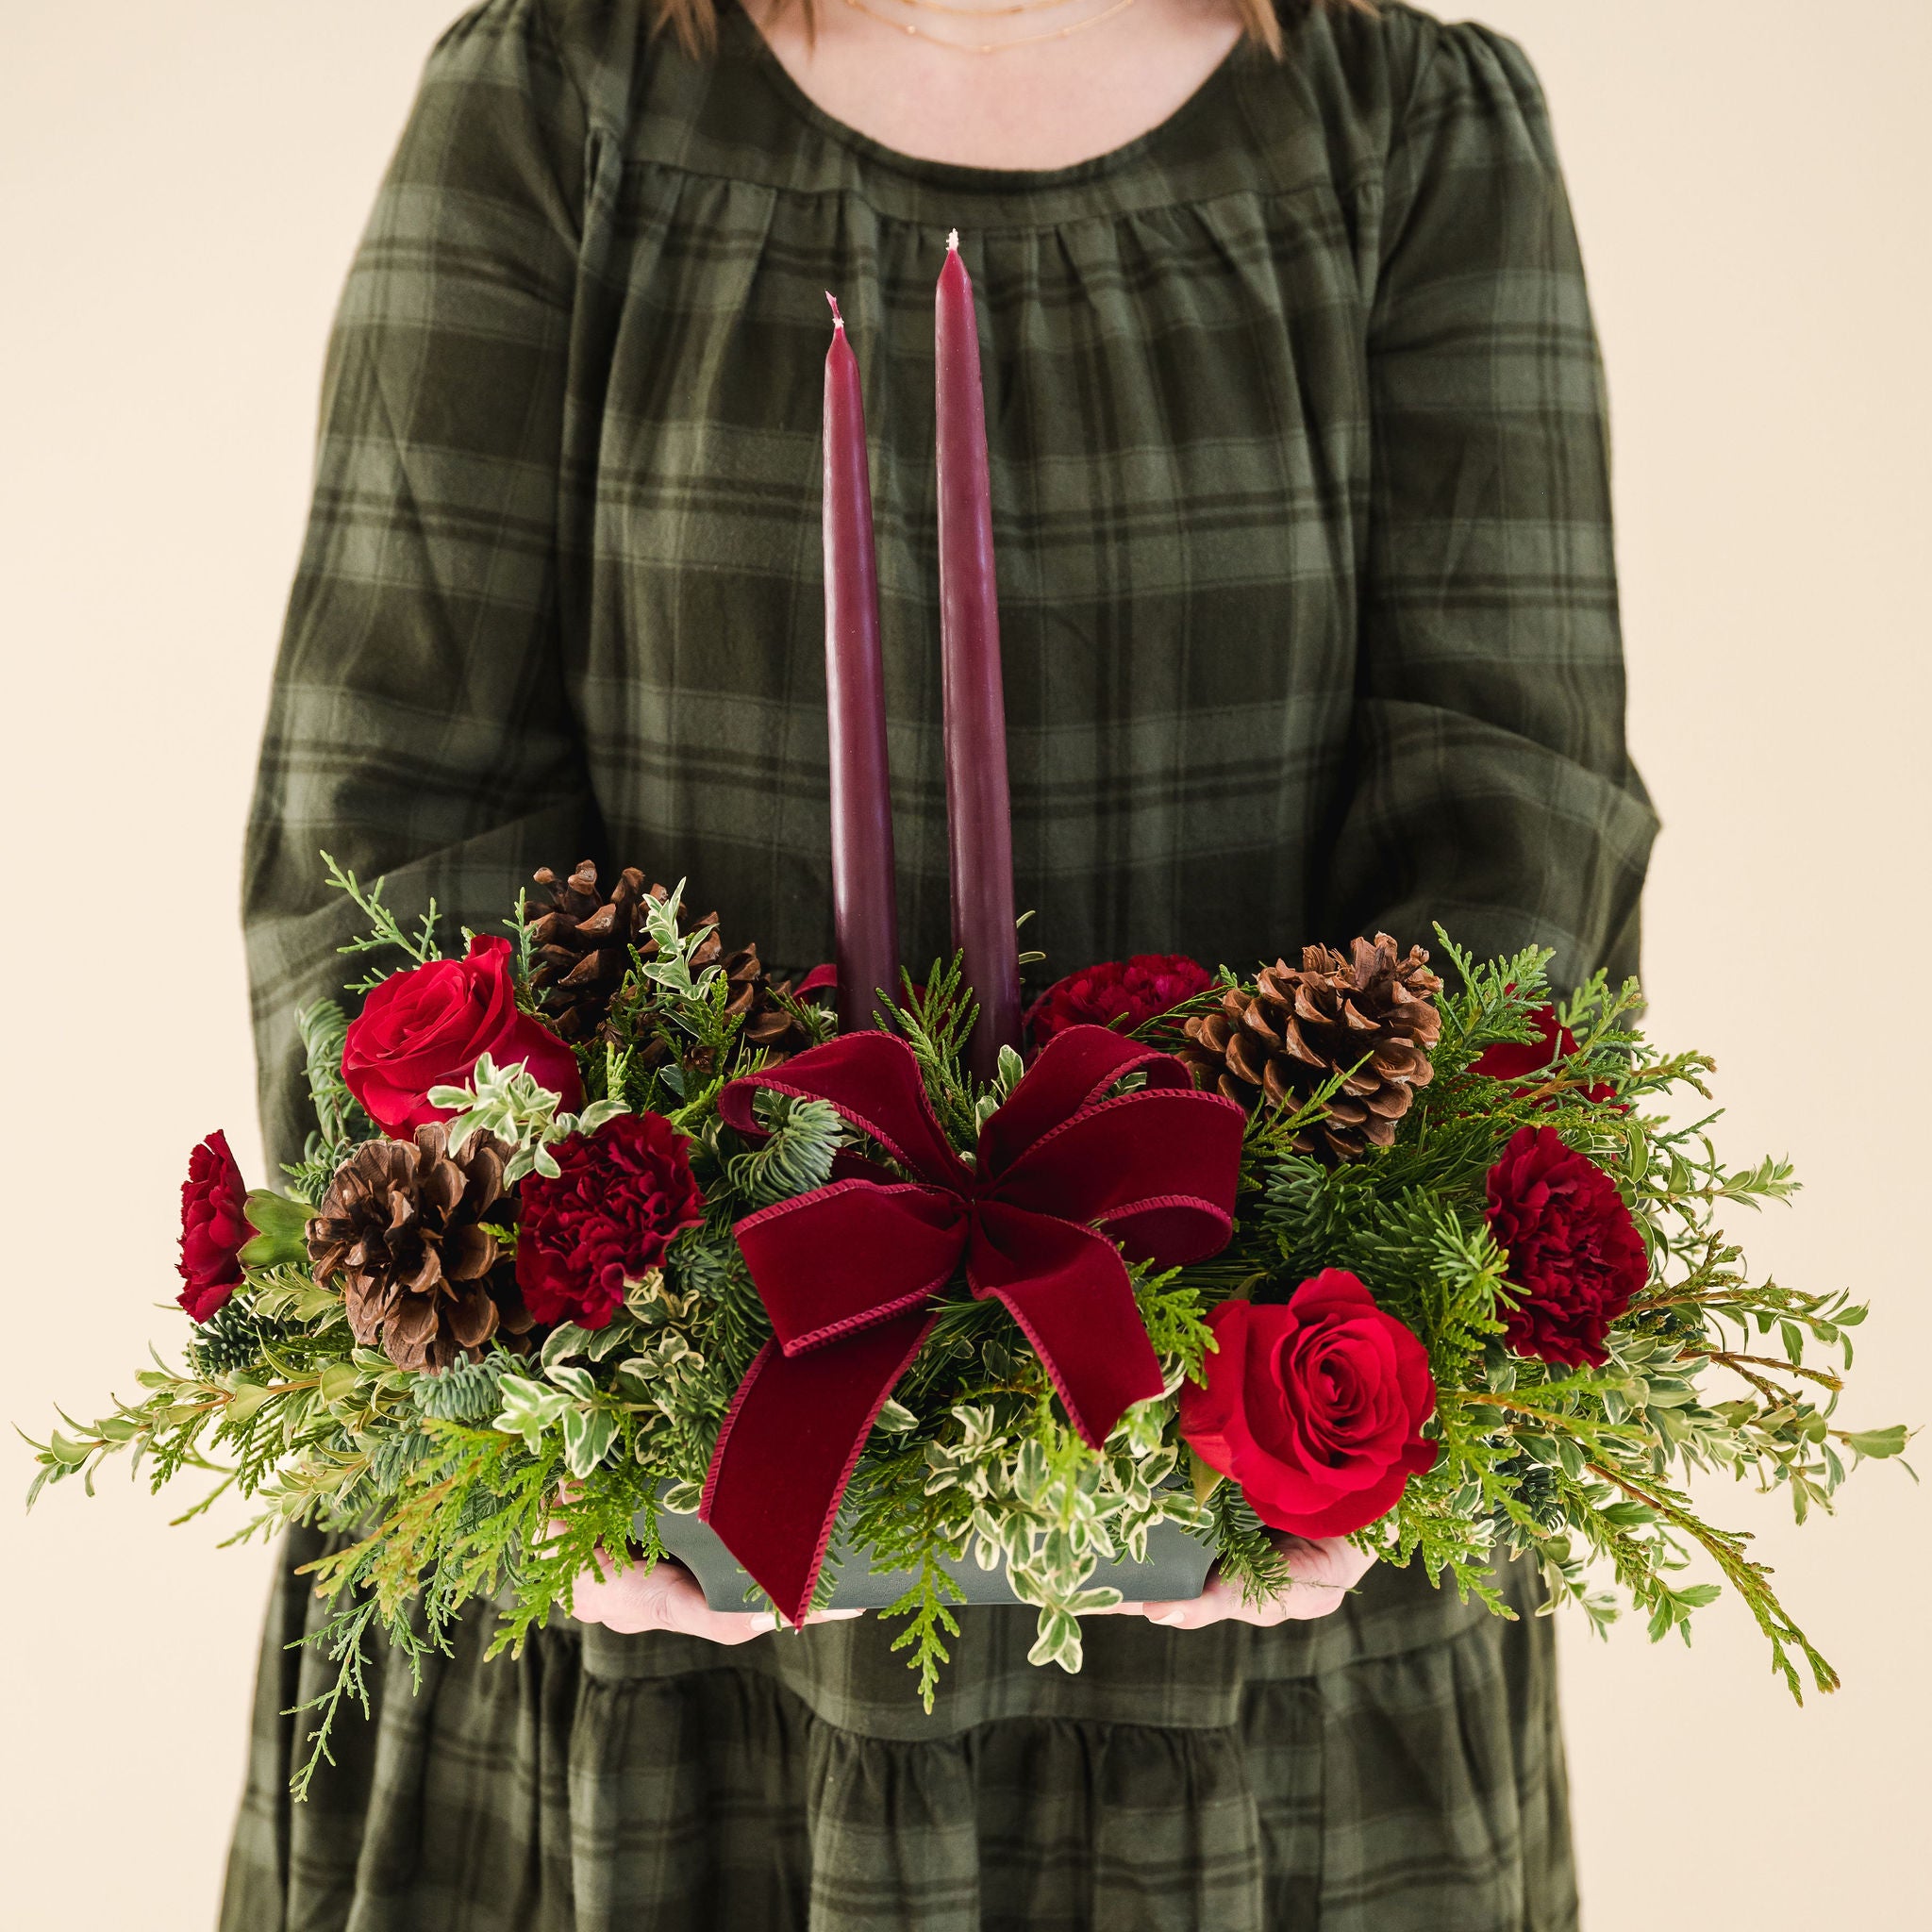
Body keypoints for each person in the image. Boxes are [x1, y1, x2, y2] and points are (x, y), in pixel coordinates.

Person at [224, 0, 1655, 1924]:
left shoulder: (1404, 139)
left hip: (1245, 1665)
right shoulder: (561, 107)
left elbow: (1516, 821)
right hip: (655, 1662)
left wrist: (1362, 1385)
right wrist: (541, 1393)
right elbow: (388, 817)